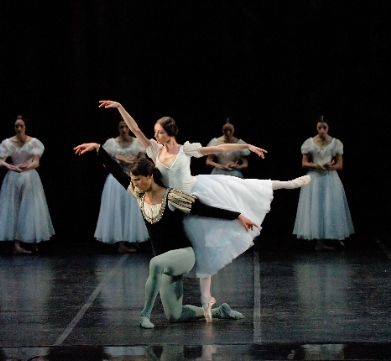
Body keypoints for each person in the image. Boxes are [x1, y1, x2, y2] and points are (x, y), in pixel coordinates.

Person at [98, 100, 311, 321]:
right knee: (191, 267)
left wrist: (246, 146)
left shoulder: (186, 150)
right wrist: (120, 106)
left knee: (242, 189)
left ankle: (287, 183)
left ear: (169, 133)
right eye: (155, 132)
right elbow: (135, 129)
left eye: (159, 132)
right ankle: (213, 308)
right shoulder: (154, 150)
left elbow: (218, 149)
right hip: (172, 203)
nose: (156, 135)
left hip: (190, 194)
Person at [74, 142, 253, 328]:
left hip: (184, 255)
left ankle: (145, 315)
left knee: (155, 263)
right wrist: (98, 149)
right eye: (133, 181)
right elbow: (118, 172)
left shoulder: (172, 196)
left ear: (150, 176)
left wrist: (237, 216)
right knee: (175, 315)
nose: (134, 185)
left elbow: (203, 209)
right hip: (164, 261)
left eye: (137, 180)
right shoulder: (140, 194)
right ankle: (219, 311)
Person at [0, 115, 55, 254]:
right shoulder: (7, 143)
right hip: (13, 177)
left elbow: (36, 162)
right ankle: (16, 244)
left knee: (31, 208)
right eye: (16, 126)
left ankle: (32, 240)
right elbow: (1, 161)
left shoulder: (33, 142)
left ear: (25, 127)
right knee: (15, 208)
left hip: (29, 178)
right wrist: (9, 166)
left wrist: (26, 167)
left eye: (21, 126)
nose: (19, 128)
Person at [293, 116, 354, 250]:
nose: (321, 130)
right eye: (319, 127)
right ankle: (319, 242)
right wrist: (316, 166)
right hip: (314, 178)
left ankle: (336, 237)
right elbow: (304, 163)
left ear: (328, 128)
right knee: (316, 207)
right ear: (316, 127)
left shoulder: (335, 143)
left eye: (324, 127)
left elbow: (340, 165)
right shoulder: (309, 142)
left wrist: (328, 167)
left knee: (331, 207)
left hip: (330, 178)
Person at [94, 120, 149, 253]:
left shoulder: (137, 143)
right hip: (115, 180)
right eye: (121, 127)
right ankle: (121, 242)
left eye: (126, 127)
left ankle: (132, 239)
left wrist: (133, 162)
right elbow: (105, 164)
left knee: (132, 210)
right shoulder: (111, 143)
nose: (124, 129)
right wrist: (119, 161)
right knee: (117, 209)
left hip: (132, 178)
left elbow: (143, 161)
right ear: (118, 129)